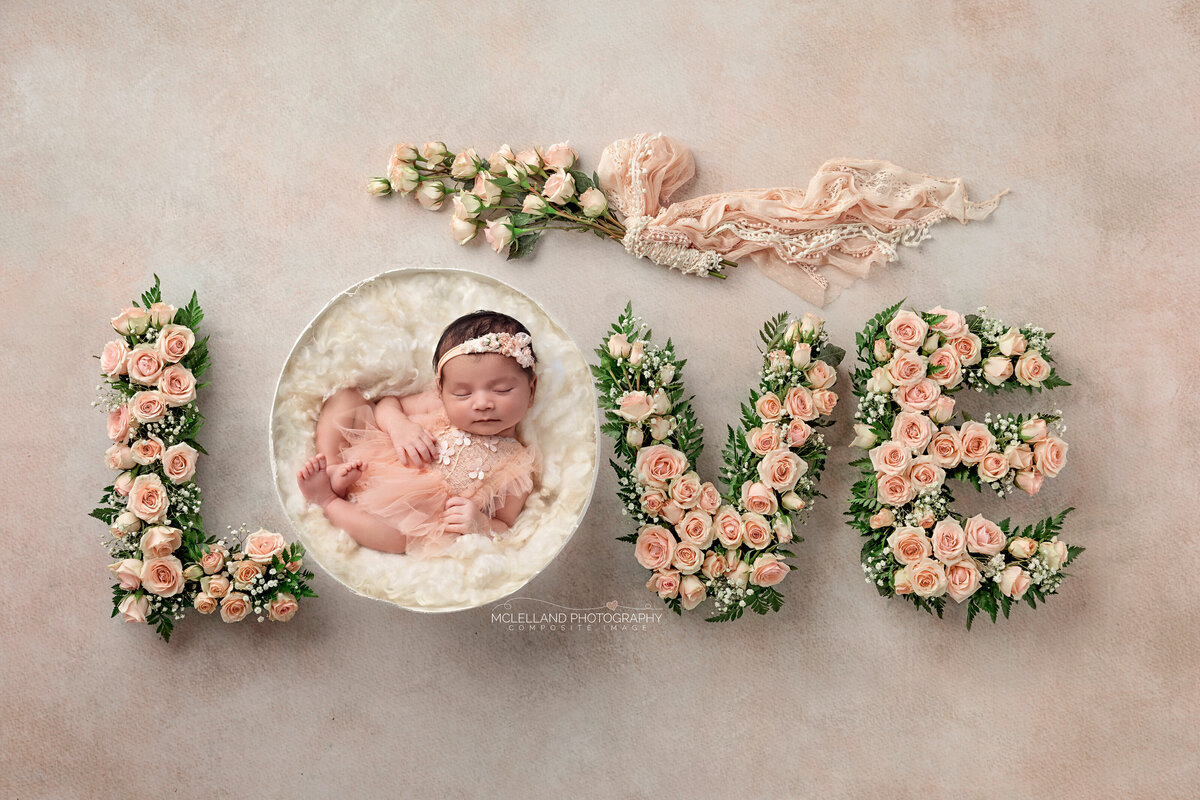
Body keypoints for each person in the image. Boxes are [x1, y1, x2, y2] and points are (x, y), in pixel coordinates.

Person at [297, 310, 540, 557]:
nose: (482, 404)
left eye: (502, 390)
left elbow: (505, 525)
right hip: (371, 458)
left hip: (411, 512)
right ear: (441, 390)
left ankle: (327, 500)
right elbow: (387, 404)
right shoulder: (437, 404)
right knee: (346, 399)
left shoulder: (517, 464)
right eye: (463, 393)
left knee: (402, 538)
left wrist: (480, 523)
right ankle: (332, 466)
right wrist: (398, 425)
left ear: (531, 390)